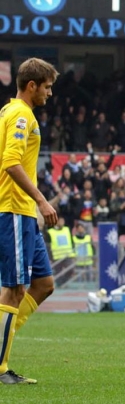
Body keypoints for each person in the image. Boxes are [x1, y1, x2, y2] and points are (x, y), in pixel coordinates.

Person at [0, 58, 59, 384]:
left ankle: (2, 341)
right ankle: (0, 366)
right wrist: (41, 200)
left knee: (44, 284)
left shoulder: (10, 112)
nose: (50, 93)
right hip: (14, 209)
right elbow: (10, 162)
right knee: (14, 290)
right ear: (32, 85)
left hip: (22, 213)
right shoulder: (21, 115)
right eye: (47, 87)